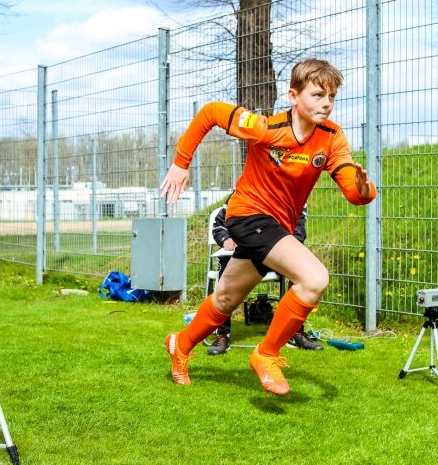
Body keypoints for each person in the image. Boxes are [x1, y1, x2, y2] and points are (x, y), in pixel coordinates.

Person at [160, 58, 376, 395]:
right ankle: (266, 354)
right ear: (293, 95)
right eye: (318, 95)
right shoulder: (264, 128)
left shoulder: (332, 138)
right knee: (314, 279)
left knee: (226, 298)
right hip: (247, 216)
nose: (326, 103)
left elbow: (352, 189)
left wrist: (364, 190)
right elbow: (211, 112)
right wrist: (180, 163)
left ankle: (180, 344)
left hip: (277, 228)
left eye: (331, 97)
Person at [207, 199, 323, 355]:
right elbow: (219, 224)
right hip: (247, 252)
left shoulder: (297, 194)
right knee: (225, 267)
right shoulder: (244, 192)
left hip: (277, 252)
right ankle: (222, 334)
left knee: (303, 273)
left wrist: (285, 248)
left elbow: (298, 231)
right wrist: (225, 238)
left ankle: (294, 332)